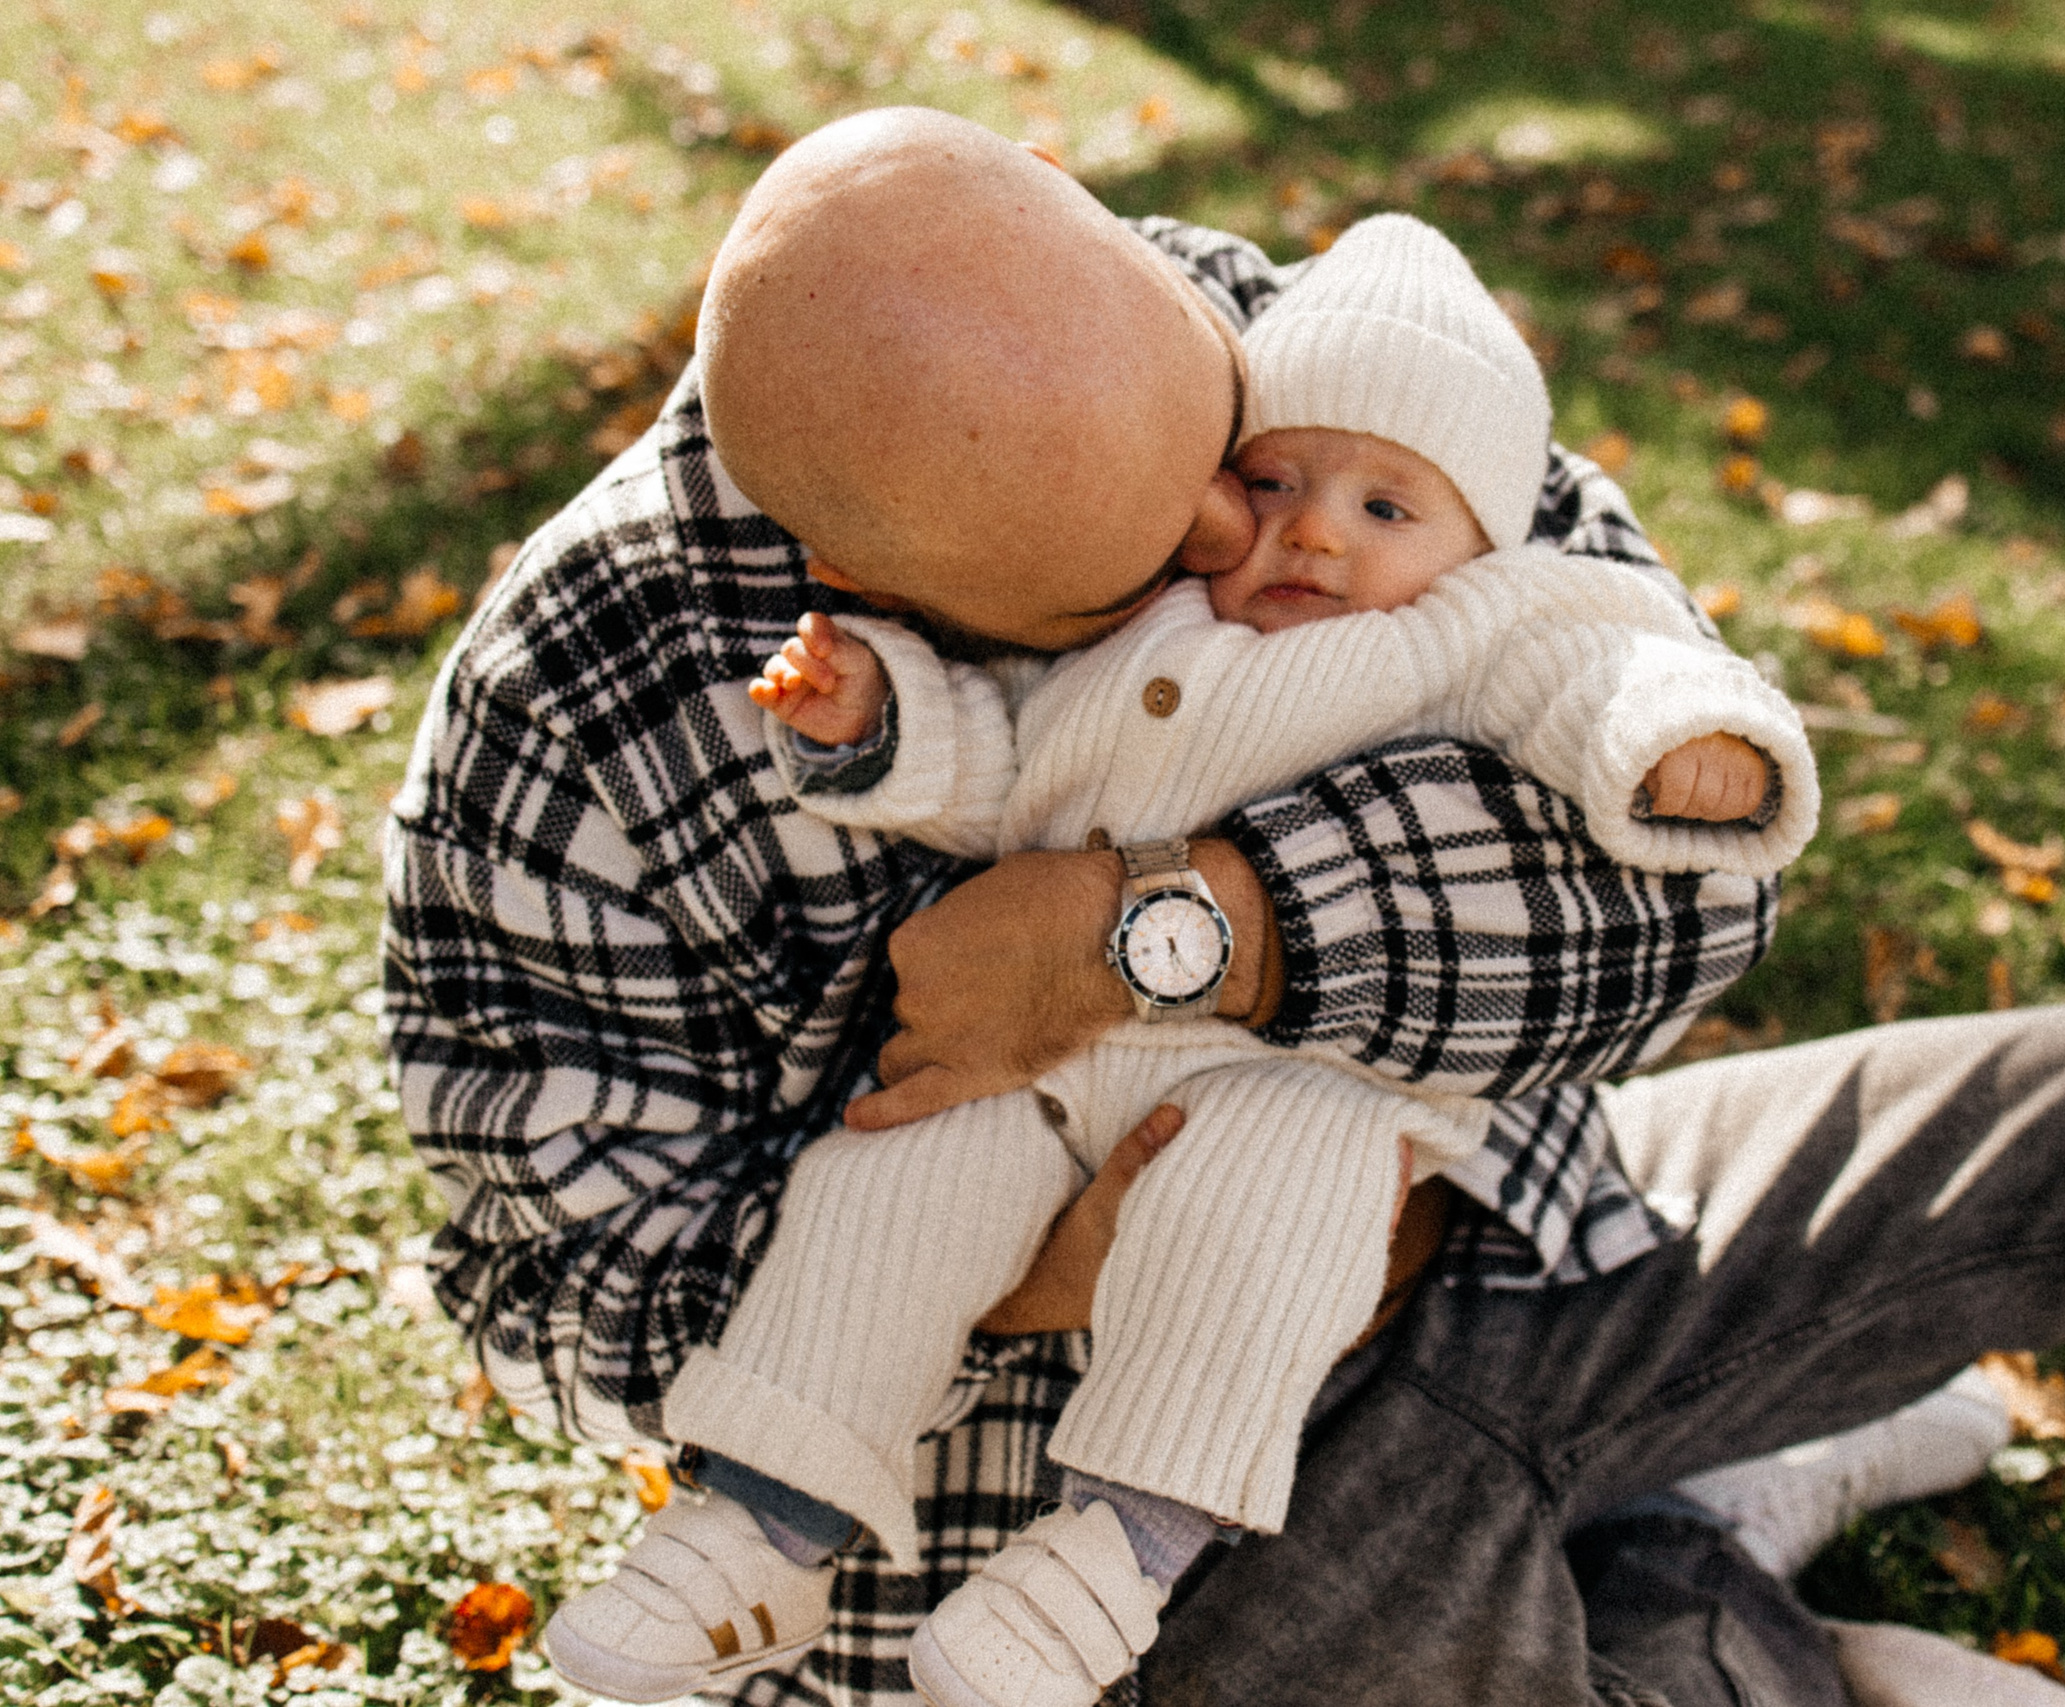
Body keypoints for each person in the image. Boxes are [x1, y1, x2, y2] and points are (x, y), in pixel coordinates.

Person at [382, 108, 2065, 1707]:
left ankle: (1690, 1484)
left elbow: (1685, 863)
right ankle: (1697, 1558)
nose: (1242, 553)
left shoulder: (1267, 344)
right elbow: (563, 1291)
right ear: (858, 588)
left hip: (1531, 1224)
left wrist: (1182, 926)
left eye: (1227, 464)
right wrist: (1054, 1263)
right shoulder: (562, 738)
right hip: (1119, 1532)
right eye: (1123, 576)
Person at [541, 211, 1822, 1707]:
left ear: (1480, 533)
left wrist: (1687, 740)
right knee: (892, 1166)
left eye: (1386, 506)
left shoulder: (1475, 623)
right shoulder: (1141, 621)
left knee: (1259, 1221)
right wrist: (875, 714)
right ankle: (765, 1522)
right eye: (1276, 482)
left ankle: (1115, 1555)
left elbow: (1605, 661)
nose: (1318, 531)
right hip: (1046, 1061)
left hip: (1302, 1071)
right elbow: (1004, 766)